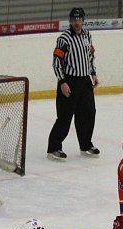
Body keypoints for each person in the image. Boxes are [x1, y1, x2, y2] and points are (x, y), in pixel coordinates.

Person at [46, 7, 99, 161]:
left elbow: (91, 56)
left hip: (85, 82)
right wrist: (62, 81)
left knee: (89, 113)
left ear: (83, 20)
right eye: (74, 19)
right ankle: (54, 147)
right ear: (70, 21)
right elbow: (56, 62)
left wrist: (93, 73)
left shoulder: (87, 35)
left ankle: (86, 144)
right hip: (69, 81)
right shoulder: (64, 38)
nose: (77, 22)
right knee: (65, 116)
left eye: (79, 19)